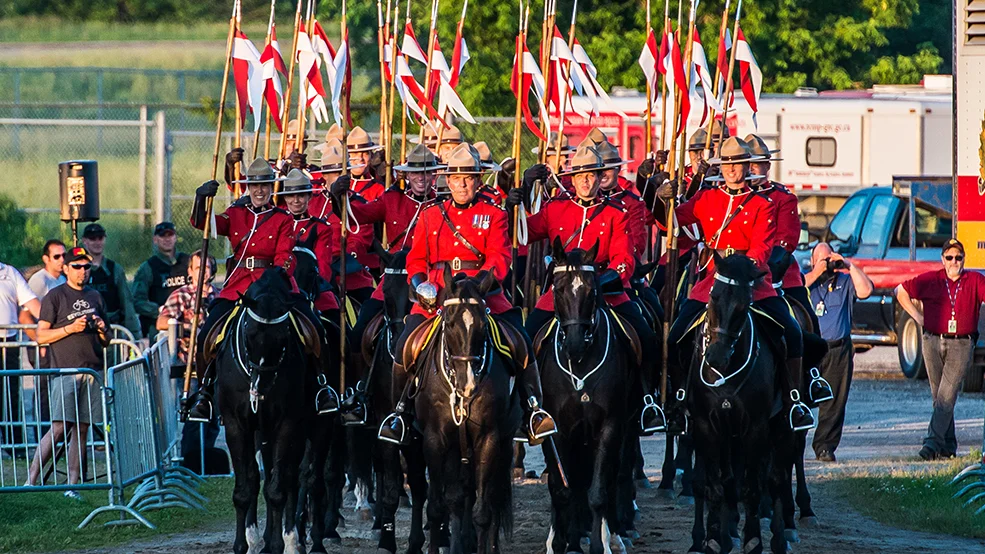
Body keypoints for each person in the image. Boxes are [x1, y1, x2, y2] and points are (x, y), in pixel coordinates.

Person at [378, 143, 557, 445]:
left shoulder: (494, 213)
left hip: (482, 294)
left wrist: (482, 285)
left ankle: (532, 411)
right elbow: (416, 258)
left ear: (478, 180)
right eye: (456, 177)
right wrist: (421, 283)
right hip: (438, 293)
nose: (462, 183)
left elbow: (500, 257)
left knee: (522, 342)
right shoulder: (431, 214)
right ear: (447, 180)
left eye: (469, 177)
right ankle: (400, 414)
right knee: (403, 345)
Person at [657, 136, 815, 431]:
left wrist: (742, 273)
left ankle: (794, 398)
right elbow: (672, 223)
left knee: (792, 331)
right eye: (727, 164)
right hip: (713, 281)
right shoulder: (707, 199)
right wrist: (662, 197)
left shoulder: (762, 204)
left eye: (738, 164)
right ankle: (678, 397)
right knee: (676, 334)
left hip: (750, 281)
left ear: (747, 168)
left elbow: (761, 249)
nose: (732, 169)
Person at [509, 145, 665, 435]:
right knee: (526, 340)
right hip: (563, 294)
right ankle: (527, 409)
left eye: (592, 175)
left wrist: (601, 284)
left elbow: (625, 260)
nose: (586, 181)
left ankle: (647, 400)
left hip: (606, 289)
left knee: (646, 336)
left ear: (599, 177)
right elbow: (521, 234)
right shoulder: (555, 209)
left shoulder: (616, 213)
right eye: (580, 175)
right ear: (573, 177)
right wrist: (518, 199)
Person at [331, 144, 442, 421]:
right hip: (393, 279)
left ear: (434, 177)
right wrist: (338, 196)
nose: (421, 178)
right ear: (407, 175)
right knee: (359, 334)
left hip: (428, 281)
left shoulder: (443, 204)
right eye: (416, 173)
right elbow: (359, 215)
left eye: (426, 174)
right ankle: (362, 393)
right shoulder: (392, 199)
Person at [185, 158, 297, 422]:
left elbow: (285, 255)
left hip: (270, 286)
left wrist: (276, 278)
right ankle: (205, 393)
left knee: (309, 330)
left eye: (265, 186)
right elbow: (204, 224)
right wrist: (201, 199)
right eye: (254, 185)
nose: (259, 191)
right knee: (206, 336)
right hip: (237, 287)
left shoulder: (282, 219)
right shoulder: (236, 214)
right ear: (247, 186)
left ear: (272, 187)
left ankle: (320, 385)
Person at [26, 247, 111, 496]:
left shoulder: (95, 296)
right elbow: (41, 335)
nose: (82, 271)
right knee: (59, 427)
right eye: (77, 266)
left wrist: (103, 328)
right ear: (66, 269)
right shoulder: (55, 296)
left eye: (86, 267)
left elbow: (107, 340)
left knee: (82, 429)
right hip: (65, 371)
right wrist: (70, 329)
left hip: (92, 371)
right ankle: (30, 480)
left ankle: (72, 486)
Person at [895, 239, 985, 460]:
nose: (954, 261)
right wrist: (917, 317)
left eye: (958, 257)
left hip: (962, 343)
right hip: (932, 340)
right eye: (950, 257)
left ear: (964, 258)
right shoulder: (931, 279)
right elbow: (900, 290)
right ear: (942, 259)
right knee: (939, 396)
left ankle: (931, 444)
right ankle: (948, 446)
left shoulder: (974, 279)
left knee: (947, 394)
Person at [277, 169, 342, 415]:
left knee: (335, 330)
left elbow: (323, 267)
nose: (296, 201)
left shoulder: (320, 227)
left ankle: (326, 385)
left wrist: (309, 288)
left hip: (311, 291)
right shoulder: (275, 222)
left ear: (309, 197)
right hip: (281, 290)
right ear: (284, 198)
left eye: (301, 195)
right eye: (291, 196)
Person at [804, 242, 873, 462]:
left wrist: (849, 265)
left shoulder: (844, 282)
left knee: (834, 402)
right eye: (821, 259)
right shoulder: (807, 282)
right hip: (810, 349)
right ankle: (793, 443)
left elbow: (866, 290)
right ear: (813, 261)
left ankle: (824, 446)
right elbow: (792, 288)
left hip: (838, 349)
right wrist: (817, 271)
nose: (827, 264)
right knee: (801, 396)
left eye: (829, 259)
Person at [155, 250, 221, 468]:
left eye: (207, 267)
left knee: (212, 418)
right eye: (198, 267)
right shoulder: (181, 294)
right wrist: (187, 327)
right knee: (194, 414)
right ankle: (189, 463)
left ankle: (206, 461)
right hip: (189, 365)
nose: (203, 272)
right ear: (191, 271)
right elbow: (162, 321)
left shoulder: (219, 297)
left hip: (215, 365)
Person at [0, 259, 40, 447]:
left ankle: (14, 444)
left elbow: (32, 304)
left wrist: (53, 320)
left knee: (11, 393)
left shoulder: (9, 273)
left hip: (9, 341)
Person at [81, 223, 140, 336]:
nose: (97, 242)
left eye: (100, 238)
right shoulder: (78, 269)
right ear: (85, 241)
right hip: (85, 331)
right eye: (93, 238)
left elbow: (126, 303)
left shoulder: (115, 269)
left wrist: (134, 334)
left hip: (112, 329)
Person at [132, 222, 189, 339]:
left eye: (170, 235)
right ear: (155, 239)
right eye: (163, 236)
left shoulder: (188, 262)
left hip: (187, 322)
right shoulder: (148, 267)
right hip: (160, 326)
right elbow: (137, 301)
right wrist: (159, 310)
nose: (167, 239)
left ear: (175, 237)